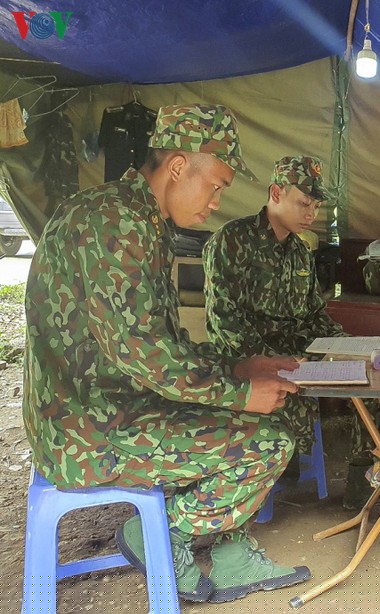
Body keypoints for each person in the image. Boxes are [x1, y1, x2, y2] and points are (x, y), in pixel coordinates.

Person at [23, 104, 311, 605]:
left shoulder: (138, 220)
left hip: (108, 405)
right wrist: (240, 391)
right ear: (178, 167)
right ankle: (162, 536)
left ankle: (230, 553)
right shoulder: (116, 224)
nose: (217, 202)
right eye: (216, 185)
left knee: (254, 421)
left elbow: (164, 346)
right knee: (266, 442)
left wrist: (236, 367)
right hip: (86, 426)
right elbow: (148, 356)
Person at [203, 155, 380, 510]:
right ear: (276, 193)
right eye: (304, 202)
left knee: (374, 380)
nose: (312, 213)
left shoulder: (301, 253)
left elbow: (313, 315)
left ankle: (364, 481)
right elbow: (224, 320)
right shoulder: (231, 241)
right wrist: (268, 362)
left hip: (297, 352)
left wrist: (351, 347)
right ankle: (273, 473)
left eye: (316, 205)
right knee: (287, 398)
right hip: (249, 357)